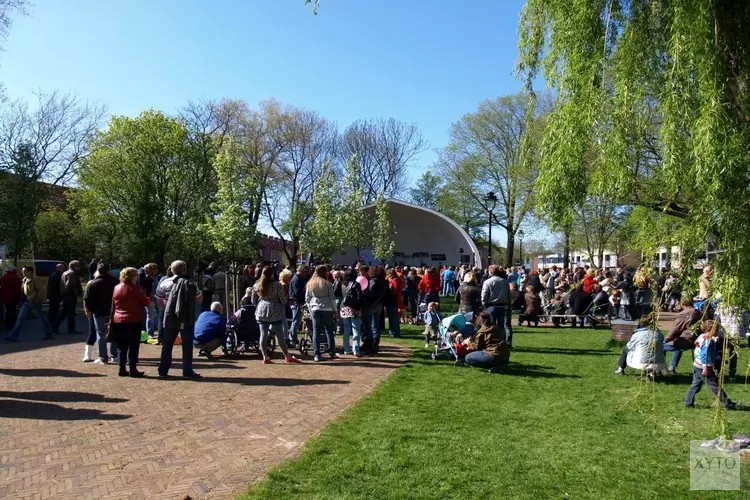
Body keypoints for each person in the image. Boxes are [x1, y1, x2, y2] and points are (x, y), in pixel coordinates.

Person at [160, 260, 203, 379]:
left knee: (167, 344)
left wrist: (166, 309)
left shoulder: (165, 282)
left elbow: (159, 298)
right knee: (187, 344)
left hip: (169, 316)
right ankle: (187, 371)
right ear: (184, 270)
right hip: (185, 317)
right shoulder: (190, 283)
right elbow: (199, 299)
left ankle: (163, 370)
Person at [684, 320, 740, 409]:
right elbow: (704, 355)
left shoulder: (701, 337)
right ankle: (727, 404)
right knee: (715, 386)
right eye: (716, 330)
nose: (718, 332)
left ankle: (688, 402)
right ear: (708, 330)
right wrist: (705, 368)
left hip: (697, 365)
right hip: (704, 367)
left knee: (695, 385)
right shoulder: (707, 342)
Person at [252, 265, 300, 364]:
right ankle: (287, 356)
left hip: (262, 311)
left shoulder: (257, 285)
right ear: (272, 274)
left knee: (263, 334)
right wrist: (286, 301)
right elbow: (282, 299)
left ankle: (265, 356)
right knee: (280, 335)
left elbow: (253, 300)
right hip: (275, 311)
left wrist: (260, 304)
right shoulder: (276, 285)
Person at [111, 267, 150, 377]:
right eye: (136, 275)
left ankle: (121, 367)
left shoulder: (116, 288)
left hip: (119, 319)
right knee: (133, 346)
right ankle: (133, 369)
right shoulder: (136, 289)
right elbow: (146, 301)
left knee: (121, 346)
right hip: (134, 320)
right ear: (132, 276)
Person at [4, 266, 54, 341]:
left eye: (25, 271)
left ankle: (49, 333)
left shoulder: (36, 279)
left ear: (30, 272)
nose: (23, 272)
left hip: (34, 302)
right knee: (19, 319)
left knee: (42, 318)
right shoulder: (24, 280)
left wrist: (37, 299)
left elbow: (41, 290)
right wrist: (21, 301)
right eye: (23, 271)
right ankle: (13, 336)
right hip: (26, 302)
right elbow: (23, 292)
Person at [83, 262, 118, 364]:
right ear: (108, 271)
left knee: (101, 334)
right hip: (112, 311)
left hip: (98, 312)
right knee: (113, 333)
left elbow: (87, 298)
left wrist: (88, 310)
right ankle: (114, 355)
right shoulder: (115, 282)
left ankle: (103, 357)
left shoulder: (92, 283)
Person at [614, 313, 666, 378]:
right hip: (660, 363)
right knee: (659, 350)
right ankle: (658, 371)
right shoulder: (659, 334)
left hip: (642, 362)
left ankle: (620, 369)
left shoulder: (638, 334)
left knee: (626, 350)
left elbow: (629, 346)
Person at [306, 265, 339, 361]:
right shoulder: (327, 283)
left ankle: (316, 354)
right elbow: (332, 298)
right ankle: (332, 352)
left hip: (315, 307)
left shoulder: (310, 283)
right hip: (327, 307)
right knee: (329, 330)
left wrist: (310, 308)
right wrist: (335, 309)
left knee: (316, 330)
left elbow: (307, 298)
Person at [663, 298, 703, 374]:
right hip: (696, 340)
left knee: (660, 347)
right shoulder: (699, 312)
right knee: (678, 342)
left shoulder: (685, 313)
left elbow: (676, 329)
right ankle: (672, 367)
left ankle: (658, 369)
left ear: (682, 304)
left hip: (688, 340)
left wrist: (666, 339)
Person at [480, 265, 511, 346]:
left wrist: (484, 304)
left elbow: (484, 295)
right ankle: (502, 342)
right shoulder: (505, 282)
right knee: (501, 326)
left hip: (491, 305)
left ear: (490, 272)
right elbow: (508, 294)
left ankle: (493, 342)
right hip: (502, 305)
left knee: (491, 326)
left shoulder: (487, 282)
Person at [716, 304, 749, 380]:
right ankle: (732, 375)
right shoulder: (742, 308)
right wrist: (744, 329)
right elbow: (746, 320)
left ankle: (719, 372)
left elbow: (716, 319)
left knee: (721, 353)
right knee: (733, 355)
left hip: (723, 333)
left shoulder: (721, 306)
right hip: (735, 333)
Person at [53, 260, 83, 335]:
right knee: (71, 313)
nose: (79, 267)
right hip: (70, 296)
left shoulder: (65, 273)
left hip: (65, 295)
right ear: (73, 266)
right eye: (78, 265)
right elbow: (69, 285)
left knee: (64, 312)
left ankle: (54, 327)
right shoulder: (72, 273)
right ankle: (71, 329)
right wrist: (75, 292)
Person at [340, 269, 364, 356]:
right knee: (356, 329)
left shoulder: (342, 284)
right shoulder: (356, 284)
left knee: (346, 329)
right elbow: (360, 296)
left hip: (344, 307)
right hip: (354, 308)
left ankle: (346, 349)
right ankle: (356, 349)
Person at [367, 266, 388, 354]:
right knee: (376, 324)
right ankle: (376, 344)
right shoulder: (384, 282)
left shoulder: (373, 281)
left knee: (371, 324)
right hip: (379, 304)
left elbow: (370, 293)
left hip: (372, 304)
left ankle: (373, 343)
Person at [288, 266, 309, 345]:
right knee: (296, 321)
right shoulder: (297, 279)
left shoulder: (298, 278)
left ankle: (292, 338)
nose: (306, 274)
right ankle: (293, 339)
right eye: (305, 272)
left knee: (296, 321)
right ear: (300, 271)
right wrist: (305, 290)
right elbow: (297, 293)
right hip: (297, 302)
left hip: (296, 302)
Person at [138, 263, 158, 338]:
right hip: (148, 297)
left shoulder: (147, 275)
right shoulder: (141, 273)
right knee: (150, 315)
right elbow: (141, 286)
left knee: (150, 315)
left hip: (150, 297)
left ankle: (150, 332)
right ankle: (149, 333)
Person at [1, 265, 22, 331]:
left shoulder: (4, 276)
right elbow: (17, 288)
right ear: (13, 270)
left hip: (5, 296)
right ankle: (11, 324)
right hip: (12, 297)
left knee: (9, 310)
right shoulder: (14, 277)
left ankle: (8, 324)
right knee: (12, 311)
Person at [386, 268, 403, 338]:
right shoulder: (398, 280)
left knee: (392, 318)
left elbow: (393, 292)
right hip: (396, 300)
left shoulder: (393, 281)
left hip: (392, 301)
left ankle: (393, 333)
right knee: (395, 317)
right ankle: (397, 332)